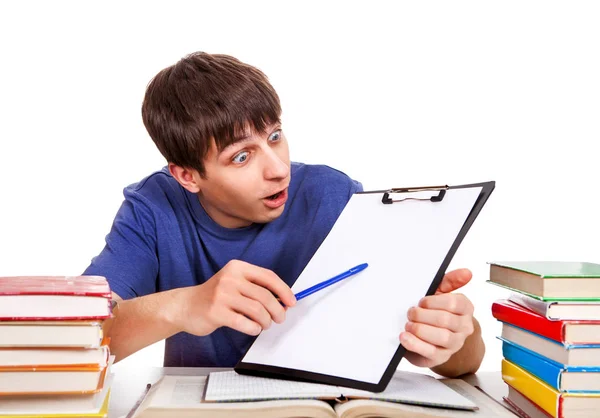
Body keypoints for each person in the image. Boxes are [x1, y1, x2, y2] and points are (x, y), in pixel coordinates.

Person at [84, 52, 485, 377]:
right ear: (188, 176)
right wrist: (186, 305)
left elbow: (466, 364)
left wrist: (448, 338)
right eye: (241, 156)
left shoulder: (333, 195)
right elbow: (81, 338)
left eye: (275, 136)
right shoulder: (153, 207)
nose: (278, 168)